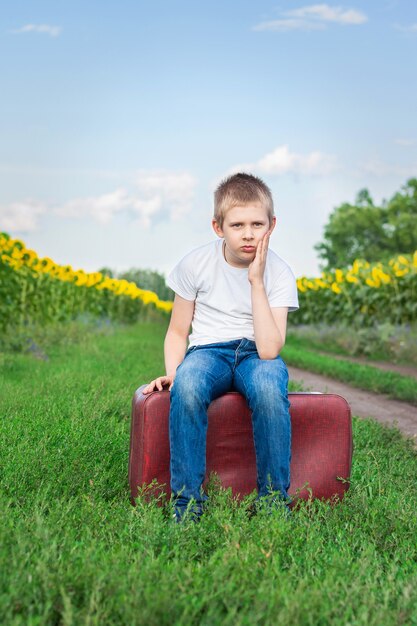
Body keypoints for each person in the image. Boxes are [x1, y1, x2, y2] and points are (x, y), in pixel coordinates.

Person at [143, 172, 299, 521]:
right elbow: (177, 330)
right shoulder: (195, 264)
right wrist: (174, 373)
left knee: (270, 389)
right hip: (208, 352)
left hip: (255, 353)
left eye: (257, 224)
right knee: (190, 385)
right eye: (237, 225)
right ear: (218, 227)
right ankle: (187, 504)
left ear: (272, 225)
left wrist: (256, 281)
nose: (248, 234)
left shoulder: (280, 273)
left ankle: (274, 504)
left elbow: (270, 350)